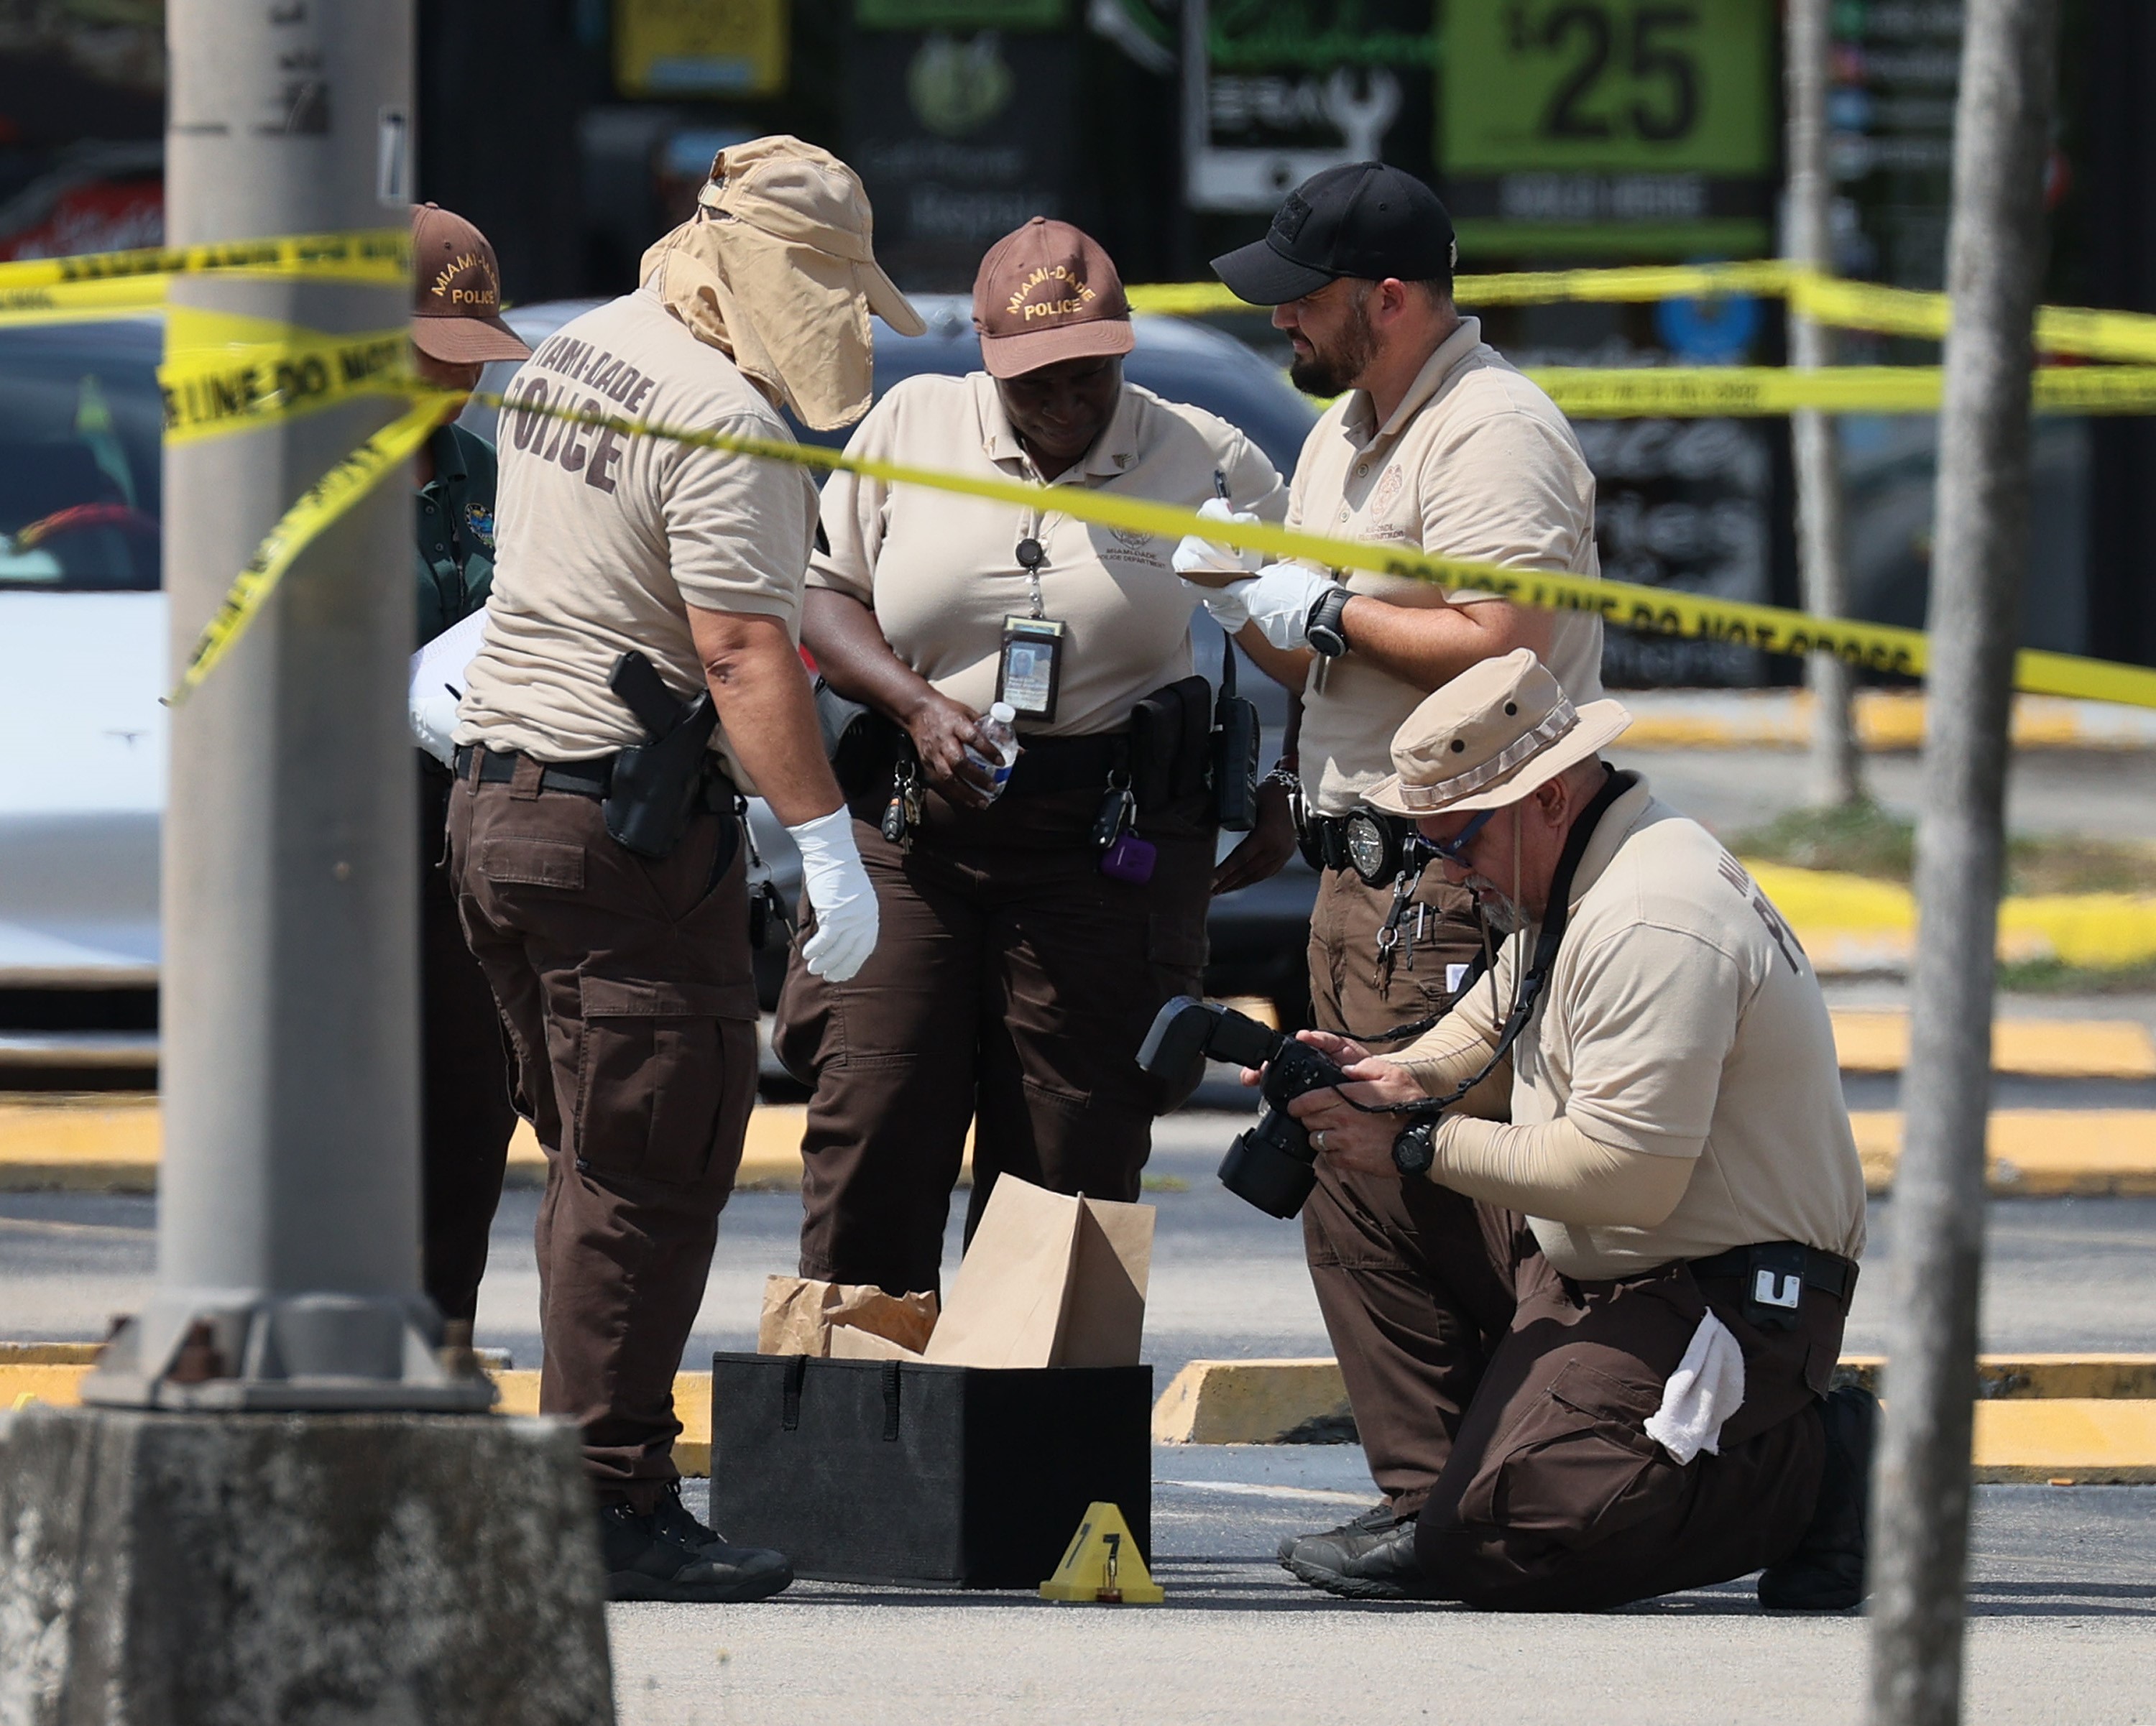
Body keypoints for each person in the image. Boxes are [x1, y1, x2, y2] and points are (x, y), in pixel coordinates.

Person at [448, 136, 918, 1602]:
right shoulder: (725, 417)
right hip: (620, 837)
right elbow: (737, 650)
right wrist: (833, 848)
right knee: (648, 1176)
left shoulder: (579, 347)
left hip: (496, 812)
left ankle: (579, 1479)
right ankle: (606, 1504)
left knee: (593, 1171)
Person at [1172, 160, 1611, 1532]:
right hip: (1359, 877)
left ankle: (1528, 1480)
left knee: (1463, 1195)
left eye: (1301, 302)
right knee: (1350, 1189)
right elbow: (1332, 674)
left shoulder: (1491, 432)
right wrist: (1246, 599)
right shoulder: (1350, 429)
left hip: (1458, 882)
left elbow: (1504, 645)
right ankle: (1430, 1497)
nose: (1280, 325)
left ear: (1392, 297)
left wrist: (1319, 611)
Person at [1260, 650, 1874, 1612]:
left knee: (1513, 1541)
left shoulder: (1651, 915)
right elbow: (1487, 1025)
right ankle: (1432, 1506)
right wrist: (1381, 1080)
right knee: (1349, 1164)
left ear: (1543, 797)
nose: (1446, 867)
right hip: (1608, 1262)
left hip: (1728, 1293)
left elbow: (1627, 1176)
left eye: (1457, 837)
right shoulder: (1581, 868)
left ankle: (1816, 1466)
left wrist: (1417, 1140)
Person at [772, 216, 1290, 1297]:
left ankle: (1042, 1458)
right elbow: (822, 597)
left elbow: (1306, 634)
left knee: (1071, 1164)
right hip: (915, 833)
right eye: (1035, 381)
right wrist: (915, 704)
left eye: (1088, 376)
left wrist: (1294, 782)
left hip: (1101, 858)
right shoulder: (911, 423)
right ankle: (859, 1442)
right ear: (989, 359)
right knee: (875, 1119)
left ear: (1124, 349)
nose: (1063, 403)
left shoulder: (1201, 455)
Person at [405, 201, 530, 1331]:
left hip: (465, 823)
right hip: (336, 839)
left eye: (472, 363)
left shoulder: (489, 473)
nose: (458, 385)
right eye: (431, 360)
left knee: (465, 1109)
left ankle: (441, 1339)